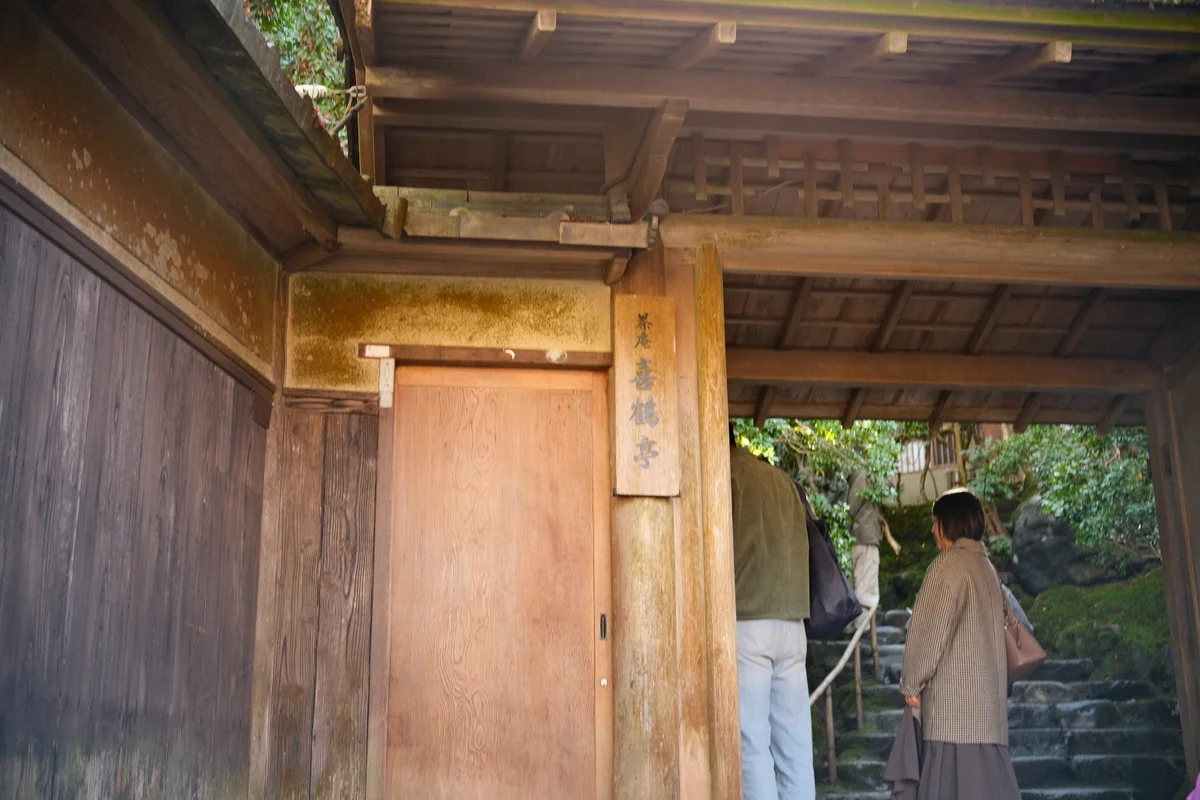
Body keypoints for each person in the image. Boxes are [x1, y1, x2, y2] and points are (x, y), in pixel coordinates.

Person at [898, 490, 1021, 800]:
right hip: (989, 717)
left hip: (954, 717)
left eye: (936, 522)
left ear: (949, 523)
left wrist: (911, 684)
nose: (932, 530)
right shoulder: (987, 569)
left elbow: (927, 634)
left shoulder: (948, 566)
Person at [729, 425, 815, 800]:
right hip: (793, 622)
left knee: (752, 744)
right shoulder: (782, 479)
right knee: (795, 745)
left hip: (748, 618)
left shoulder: (724, 475)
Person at [847, 469, 883, 631]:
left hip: (851, 538)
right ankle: (863, 630)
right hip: (865, 537)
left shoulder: (849, 475)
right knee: (866, 591)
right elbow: (852, 505)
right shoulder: (865, 475)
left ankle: (850, 628)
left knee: (851, 587)